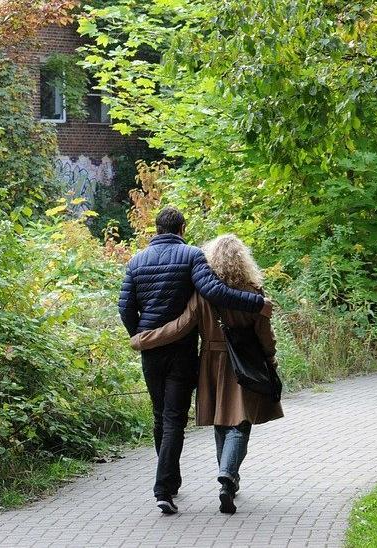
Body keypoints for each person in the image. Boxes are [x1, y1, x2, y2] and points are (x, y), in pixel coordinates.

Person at [118, 208, 272, 515]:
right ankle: (169, 487)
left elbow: (125, 306)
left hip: (155, 349)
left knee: (160, 415)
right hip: (184, 351)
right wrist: (257, 303)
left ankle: (169, 484)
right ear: (182, 228)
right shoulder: (191, 256)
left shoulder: (135, 261)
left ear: (156, 228)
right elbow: (214, 291)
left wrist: (140, 334)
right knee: (176, 418)